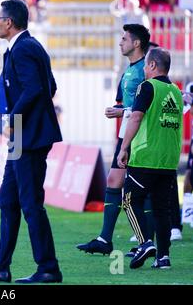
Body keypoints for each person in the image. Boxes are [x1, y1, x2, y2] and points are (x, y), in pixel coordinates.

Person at [0, 0, 63, 284]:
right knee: (8, 199)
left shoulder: (23, 49)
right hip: (25, 136)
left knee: (31, 203)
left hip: (29, 137)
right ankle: (0, 268)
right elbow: (50, 87)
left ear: (9, 22)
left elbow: (35, 89)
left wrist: (12, 120)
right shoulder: (24, 47)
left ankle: (48, 268)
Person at [76, 24, 150, 255]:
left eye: (124, 39)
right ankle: (105, 239)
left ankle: (147, 243)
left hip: (142, 134)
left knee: (142, 188)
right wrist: (118, 109)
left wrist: (122, 111)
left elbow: (147, 105)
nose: (120, 42)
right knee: (113, 180)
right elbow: (124, 103)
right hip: (126, 132)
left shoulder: (145, 70)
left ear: (136, 43)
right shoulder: (128, 71)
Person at [117, 47, 182, 269]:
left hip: (146, 156)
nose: (144, 68)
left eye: (146, 65)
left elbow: (136, 117)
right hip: (169, 158)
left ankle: (145, 242)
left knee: (128, 199)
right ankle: (163, 257)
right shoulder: (175, 91)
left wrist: (123, 147)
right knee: (161, 208)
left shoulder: (147, 87)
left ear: (153, 65)